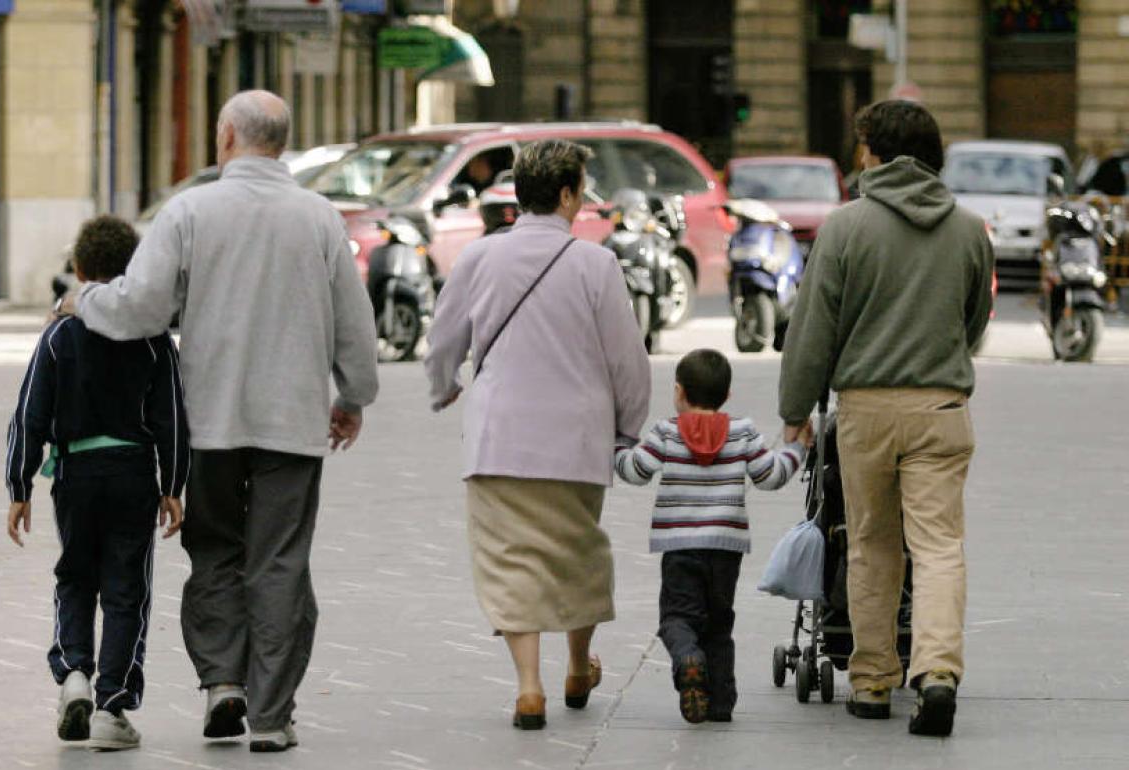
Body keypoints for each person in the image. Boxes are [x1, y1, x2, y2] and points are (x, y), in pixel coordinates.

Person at [61, 90, 379, 752]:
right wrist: (352, 397)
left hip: (206, 421)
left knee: (213, 553)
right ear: (282, 142)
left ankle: (223, 685)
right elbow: (354, 323)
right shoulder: (320, 219)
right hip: (292, 423)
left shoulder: (189, 211)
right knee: (281, 560)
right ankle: (270, 714)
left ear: (228, 137)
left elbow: (142, 308)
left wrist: (83, 297)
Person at [778, 100, 994, 737]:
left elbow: (813, 330)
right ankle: (936, 675)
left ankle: (872, 681)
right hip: (940, 408)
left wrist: (796, 409)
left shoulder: (845, 228)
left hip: (866, 410)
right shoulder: (967, 228)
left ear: (875, 153)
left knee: (870, 545)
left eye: (860, 145)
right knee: (938, 548)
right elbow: (972, 323)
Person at [425, 139, 652, 730]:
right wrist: (629, 428)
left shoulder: (479, 258)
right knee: (576, 552)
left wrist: (443, 385)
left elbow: (444, 335)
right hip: (577, 442)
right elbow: (627, 359)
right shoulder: (596, 264)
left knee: (508, 562)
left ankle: (529, 689)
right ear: (569, 194)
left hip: (498, 439)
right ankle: (578, 666)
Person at [4, 215, 190, 751]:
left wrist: (19, 486)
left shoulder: (60, 335)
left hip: (74, 475)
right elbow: (171, 416)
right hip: (133, 473)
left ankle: (74, 676)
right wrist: (173, 484)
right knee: (128, 588)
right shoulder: (152, 339)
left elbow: (29, 413)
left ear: (80, 270)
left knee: (76, 575)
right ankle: (113, 705)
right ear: (133, 270)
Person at [615, 349, 809, 724]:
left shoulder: (666, 432)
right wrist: (797, 448)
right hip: (725, 549)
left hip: (680, 547)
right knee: (719, 624)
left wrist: (618, 445)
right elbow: (770, 476)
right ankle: (719, 704)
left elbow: (635, 470)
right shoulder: (743, 431)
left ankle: (687, 656)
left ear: (678, 392)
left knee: (676, 618)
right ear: (728, 394)